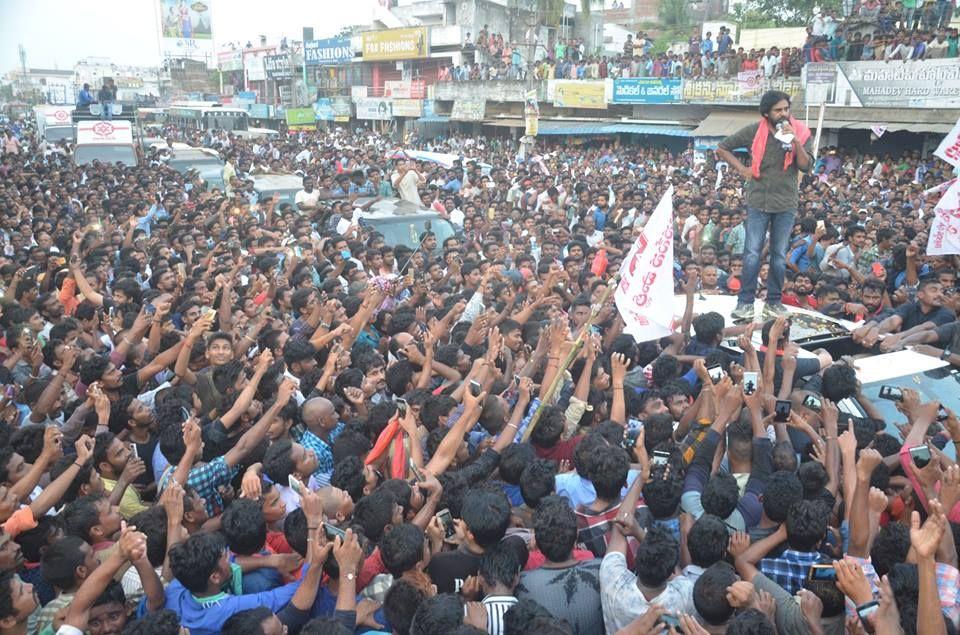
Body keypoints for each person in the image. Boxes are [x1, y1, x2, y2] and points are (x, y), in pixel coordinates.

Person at [716, 90, 813, 321]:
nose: (783, 114)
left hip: (786, 203)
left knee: (779, 255)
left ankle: (773, 302)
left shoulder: (799, 131)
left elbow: (805, 165)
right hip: (758, 201)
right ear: (766, 113)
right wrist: (743, 170)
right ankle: (745, 303)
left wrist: (796, 141)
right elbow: (722, 147)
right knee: (751, 254)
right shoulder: (754, 131)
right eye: (778, 110)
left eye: (786, 109)